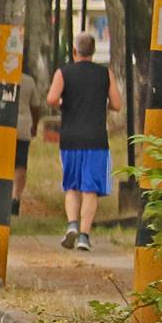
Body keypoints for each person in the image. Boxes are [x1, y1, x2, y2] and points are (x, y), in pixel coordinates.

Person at [48, 31, 122, 251]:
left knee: (71, 185)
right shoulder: (105, 74)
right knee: (90, 189)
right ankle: (84, 236)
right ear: (93, 51)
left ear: (74, 51)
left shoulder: (63, 72)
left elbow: (51, 98)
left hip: (70, 138)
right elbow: (117, 104)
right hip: (96, 139)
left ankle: (71, 224)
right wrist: (101, 104)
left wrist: (65, 103)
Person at [13, 66, 44, 217]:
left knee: (3, 163)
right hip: (23, 125)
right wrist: (35, 126)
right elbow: (36, 106)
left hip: (2, 126)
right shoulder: (28, 81)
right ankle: (16, 197)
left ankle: (3, 196)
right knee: (20, 163)